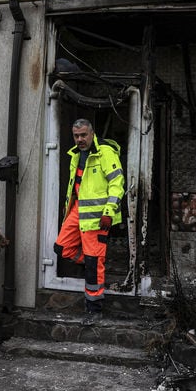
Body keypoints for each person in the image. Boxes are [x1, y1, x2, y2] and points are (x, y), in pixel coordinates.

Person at [53, 118, 124, 322]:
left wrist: (109, 212)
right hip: (77, 211)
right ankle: (95, 261)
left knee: (93, 262)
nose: (80, 139)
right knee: (61, 248)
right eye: (76, 136)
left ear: (92, 133)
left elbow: (117, 183)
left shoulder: (105, 152)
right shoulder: (76, 154)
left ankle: (94, 309)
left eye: (84, 135)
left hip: (98, 218)